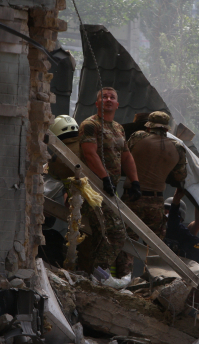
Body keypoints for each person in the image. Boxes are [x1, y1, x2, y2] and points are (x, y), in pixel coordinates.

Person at [77, 87, 141, 275]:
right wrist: (104, 179)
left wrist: (135, 181)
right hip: (93, 189)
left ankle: (89, 275)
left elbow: (126, 156)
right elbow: (89, 153)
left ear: (117, 104)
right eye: (104, 97)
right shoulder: (90, 125)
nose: (108, 99)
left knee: (100, 235)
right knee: (115, 232)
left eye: (112, 97)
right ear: (97, 103)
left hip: (110, 191)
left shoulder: (118, 128)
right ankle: (100, 274)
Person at [116, 111, 187, 275]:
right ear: (166, 128)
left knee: (128, 242)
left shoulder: (138, 137)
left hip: (132, 198)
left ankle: (123, 279)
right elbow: (180, 176)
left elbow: (124, 158)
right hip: (156, 202)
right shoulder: (177, 148)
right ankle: (153, 281)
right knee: (155, 247)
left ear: (149, 126)